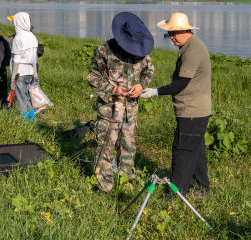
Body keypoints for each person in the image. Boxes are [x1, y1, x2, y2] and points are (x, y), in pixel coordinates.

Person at [142, 12, 211, 198]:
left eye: (174, 34)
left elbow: (181, 83)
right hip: (196, 109)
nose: (171, 38)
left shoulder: (193, 50)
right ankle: (203, 189)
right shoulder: (189, 45)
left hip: (192, 111)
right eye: (169, 34)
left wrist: (154, 92)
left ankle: (176, 193)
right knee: (195, 150)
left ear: (186, 30)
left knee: (182, 151)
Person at [87, 12, 155, 194]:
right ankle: (105, 186)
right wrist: (112, 89)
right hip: (108, 110)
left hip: (130, 110)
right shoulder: (104, 50)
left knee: (128, 146)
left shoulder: (142, 51)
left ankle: (126, 182)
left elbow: (149, 70)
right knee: (105, 146)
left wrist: (142, 85)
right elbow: (93, 76)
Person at [8, 12, 39, 119]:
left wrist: (12, 78)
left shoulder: (18, 38)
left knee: (20, 99)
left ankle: (24, 122)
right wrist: (35, 74)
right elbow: (34, 58)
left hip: (19, 73)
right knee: (26, 96)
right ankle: (32, 119)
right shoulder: (32, 36)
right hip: (30, 72)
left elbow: (16, 60)